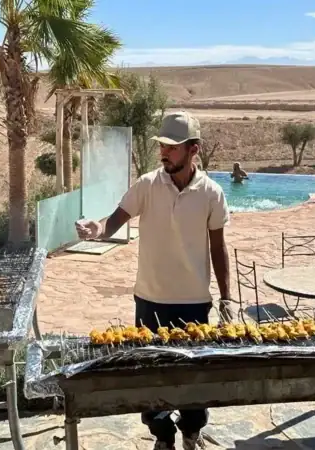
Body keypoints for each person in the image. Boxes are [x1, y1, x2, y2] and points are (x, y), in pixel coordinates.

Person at [75, 111, 232, 450]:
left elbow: (219, 249)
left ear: (194, 150)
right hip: (149, 301)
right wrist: (98, 230)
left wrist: (227, 298)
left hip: (194, 303)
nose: (164, 152)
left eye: (172, 147)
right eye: (162, 145)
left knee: (193, 378)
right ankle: (163, 437)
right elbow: (115, 220)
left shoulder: (212, 193)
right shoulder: (147, 184)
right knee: (149, 375)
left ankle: (192, 431)